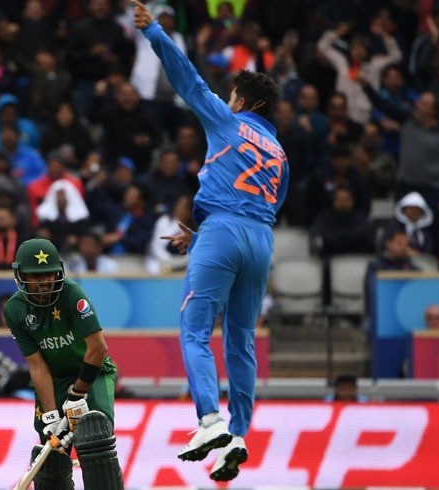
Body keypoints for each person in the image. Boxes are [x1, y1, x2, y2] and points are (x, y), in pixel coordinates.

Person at [134, 1, 289, 481]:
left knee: (195, 330)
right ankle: (239, 434)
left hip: (222, 231)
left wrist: (157, 34)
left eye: (234, 94)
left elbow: (188, 82)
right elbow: (269, 206)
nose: (229, 98)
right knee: (240, 341)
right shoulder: (281, 153)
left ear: (247, 102)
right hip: (260, 240)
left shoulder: (227, 122)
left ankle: (209, 420)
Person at [4, 238, 123, 489]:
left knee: (94, 437)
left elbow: (98, 347)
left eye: (50, 274)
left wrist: (79, 391)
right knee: (51, 457)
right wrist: (50, 415)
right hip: (55, 380)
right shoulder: (14, 309)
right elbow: (37, 366)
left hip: (93, 374)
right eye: (36, 276)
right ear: (20, 275)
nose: (45, 281)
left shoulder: (71, 294)